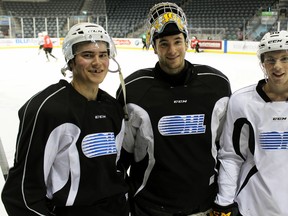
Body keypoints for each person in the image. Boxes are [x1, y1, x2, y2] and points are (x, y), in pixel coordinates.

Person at [1, 22, 129, 216]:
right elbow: (21, 195)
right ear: (71, 60)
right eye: (87, 55)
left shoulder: (113, 108)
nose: (97, 62)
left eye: (103, 55)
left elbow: (116, 170)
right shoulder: (47, 110)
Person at [116, 2, 231, 216]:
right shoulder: (133, 91)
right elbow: (122, 156)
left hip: (204, 206)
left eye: (178, 41)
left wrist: (226, 198)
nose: (172, 50)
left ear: (187, 42)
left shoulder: (216, 85)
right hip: (149, 207)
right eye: (163, 43)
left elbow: (227, 150)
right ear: (153, 46)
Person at [212, 30, 288, 216]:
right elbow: (231, 156)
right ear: (262, 63)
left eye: (285, 58)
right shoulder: (242, 102)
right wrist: (224, 202)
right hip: (252, 206)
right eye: (270, 59)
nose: (277, 66)